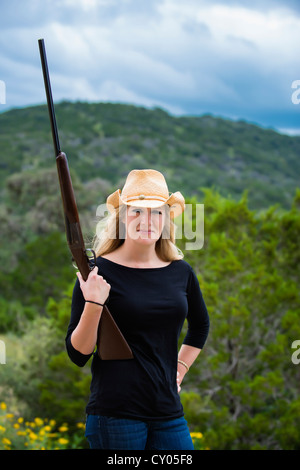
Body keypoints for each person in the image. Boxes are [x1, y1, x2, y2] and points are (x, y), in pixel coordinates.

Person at [65, 169, 210, 450]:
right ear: (122, 218)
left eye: (157, 212)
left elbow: (200, 326)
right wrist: (94, 303)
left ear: (166, 218)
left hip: (168, 412)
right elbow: (77, 354)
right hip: (115, 414)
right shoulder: (97, 273)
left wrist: (179, 369)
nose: (147, 221)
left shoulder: (181, 272)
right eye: (137, 212)